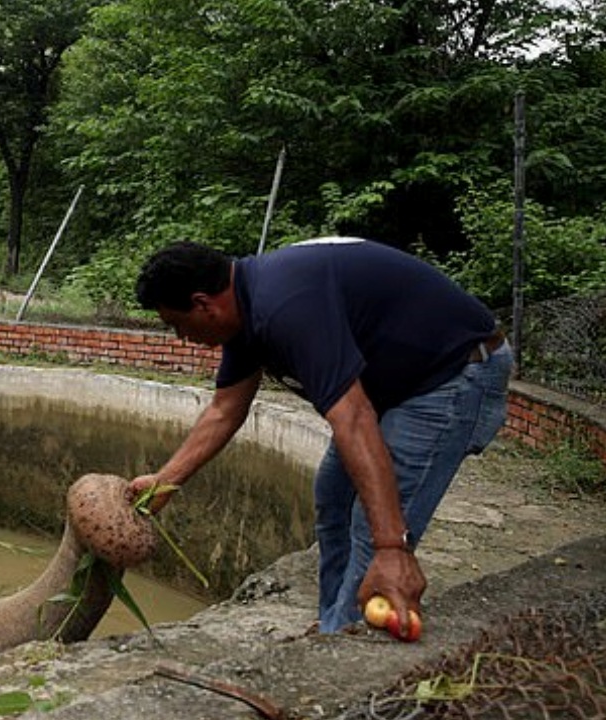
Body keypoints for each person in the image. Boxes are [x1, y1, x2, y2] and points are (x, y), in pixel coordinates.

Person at [127, 237, 513, 637]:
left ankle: (344, 639)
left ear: (203, 303)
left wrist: (391, 547)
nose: (181, 338)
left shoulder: (284, 306)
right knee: (333, 498)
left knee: (373, 525)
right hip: (395, 390)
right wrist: (163, 483)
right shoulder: (244, 314)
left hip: (453, 375)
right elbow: (225, 410)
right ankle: (336, 620)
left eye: (177, 324)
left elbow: (353, 417)